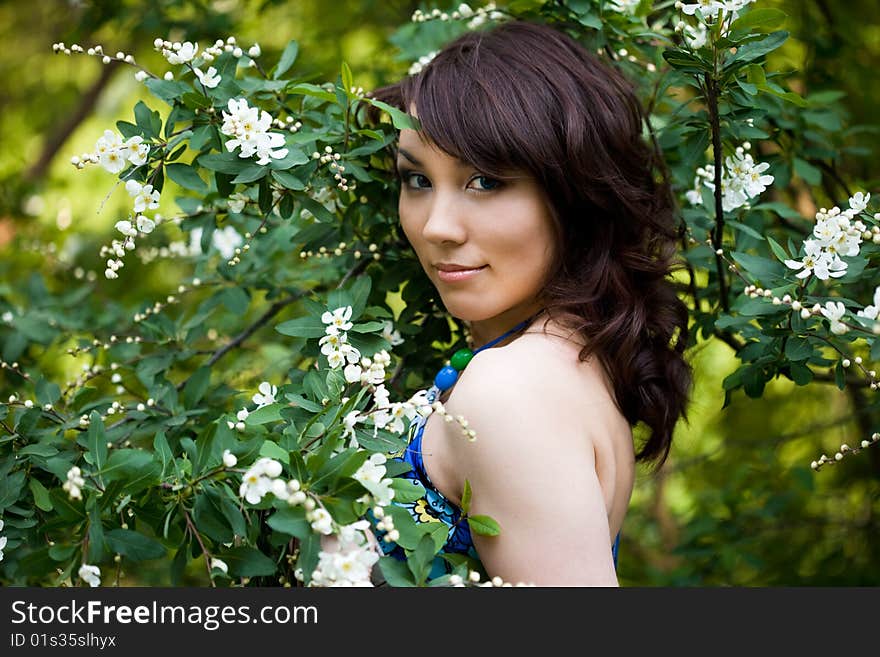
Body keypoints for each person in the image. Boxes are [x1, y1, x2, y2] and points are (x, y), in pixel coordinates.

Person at [365, 19, 693, 586]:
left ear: (572, 195)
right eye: (416, 180)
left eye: (485, 181)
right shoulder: (559, 358)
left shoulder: (511, 392)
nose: (436, 226)